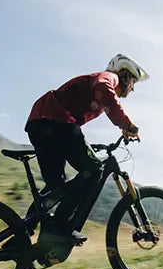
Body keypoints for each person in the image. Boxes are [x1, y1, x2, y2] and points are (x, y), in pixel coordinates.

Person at [24, 54, 146, 245]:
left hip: (40, 123)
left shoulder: (99, 84)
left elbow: (73, 128)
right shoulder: (108, 78)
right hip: (55, 122)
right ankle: (60, 226)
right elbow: (103, 91)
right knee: (95, 169)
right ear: (123, 74)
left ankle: (21, 235)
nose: (133, 88)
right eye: (133, 82)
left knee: (56, 185)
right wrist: (127, 124)